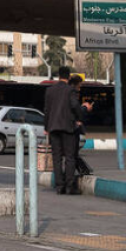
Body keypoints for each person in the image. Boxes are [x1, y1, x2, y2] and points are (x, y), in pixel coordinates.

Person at [45, 66, 82, 194]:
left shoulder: (50, 91)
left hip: (53, 128)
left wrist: (46, 128)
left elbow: (47, 111)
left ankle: (59, 186)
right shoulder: (70, 91)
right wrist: (79, 117)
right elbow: (75, 105)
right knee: (70, 157)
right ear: (69, 76)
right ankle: (69, 186)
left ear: (58, 76)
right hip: (68, 128)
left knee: (57, 157)